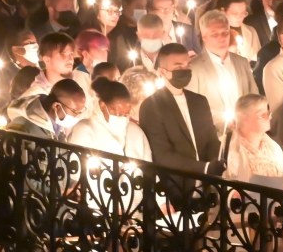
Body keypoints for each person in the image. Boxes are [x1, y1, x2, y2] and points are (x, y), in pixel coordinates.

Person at [139, 44, 222, 174]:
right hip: (177, 182)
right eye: (178, 67)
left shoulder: (199, 101)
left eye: (188, 65)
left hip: (208, 181)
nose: (185, 70)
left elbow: (212, 141)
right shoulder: (151, 106)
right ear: (163, 71)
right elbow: (162, 155)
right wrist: (204, 168)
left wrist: (215, 163)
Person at [222, 94, 283, 192]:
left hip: (277, 201)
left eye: (268, 112)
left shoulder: (274, 144)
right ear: (245, 118)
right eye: (263, 114)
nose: (269, 117)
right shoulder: (228, 147)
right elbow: (224, 182)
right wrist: (234, 194)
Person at [187, 10, 254, 136]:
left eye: (225, 33)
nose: (221, 38)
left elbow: (253, 96)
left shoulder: (242, 62)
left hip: (247, 131)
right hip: (216, 135)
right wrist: (224, 122)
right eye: (215, 34)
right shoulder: (194, 68)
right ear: (204, 37)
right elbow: (194, 108)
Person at [73, 78, 152, 163]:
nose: (122, 118)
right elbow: (76, 164)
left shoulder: (136, 131)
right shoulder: (84, 129)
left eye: (125, 114)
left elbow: (148, 165)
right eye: (118, 114)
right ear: (102, 105)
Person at [8, 79, 86, 141]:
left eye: (80, 111)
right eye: (74, 111)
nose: (77, 116)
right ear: (56, 106)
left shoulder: (57, 128)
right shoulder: (23, 130)